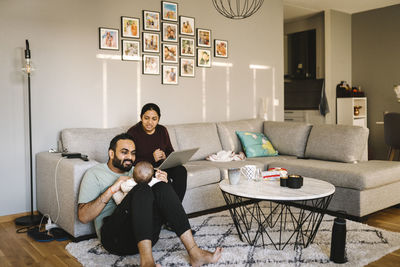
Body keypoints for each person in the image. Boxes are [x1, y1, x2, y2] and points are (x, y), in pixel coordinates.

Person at [78, 133, 222, 267]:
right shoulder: (94, 173)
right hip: (116, 239)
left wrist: (166, 183)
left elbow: (164, 203)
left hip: (147, 237)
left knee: (161, 186)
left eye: (133, 153)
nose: (130, 157)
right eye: (124, 152)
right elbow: (83, 217)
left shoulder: (138, 170)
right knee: (142, 189)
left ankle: (195, 253)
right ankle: (147, 262)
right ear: (111, 153)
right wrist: (112, 189)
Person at [127, 103, 188, 202]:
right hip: (145, 170)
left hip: (162, 166)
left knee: (181, 170)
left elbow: (170, 151)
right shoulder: (133, 132)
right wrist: (151, 158)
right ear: (141, 117)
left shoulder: (162, 130)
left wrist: (165, 156)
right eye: (146, 118)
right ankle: (172, 208)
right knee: (163, 179)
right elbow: (130, 159)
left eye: (154, 119)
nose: (149, 122)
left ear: (158, 119)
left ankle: (176, 205)